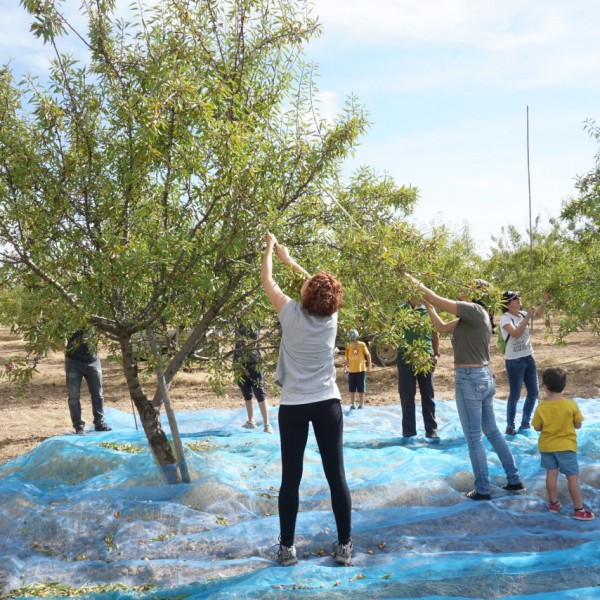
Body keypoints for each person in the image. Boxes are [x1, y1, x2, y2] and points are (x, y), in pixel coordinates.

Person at [261, 232, 352, 567]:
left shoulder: (289, 313)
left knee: (291, 479)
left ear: (306, 293)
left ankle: (287, 549)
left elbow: (266, 279)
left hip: (294, 407)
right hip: (327, 404)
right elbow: (319, 288)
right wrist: (292, 261)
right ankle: (344, 547)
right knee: (336, 475)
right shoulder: (331, 319)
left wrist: (272, 249)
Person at [406, 275, 525, 500]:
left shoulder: (472, 309)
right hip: (482, 377)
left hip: (469, 379)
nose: (463, 286)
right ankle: (514, 480)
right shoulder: (473, 316)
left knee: (474, 437)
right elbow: (440, 327)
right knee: (491, 431)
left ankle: (482, 489)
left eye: (468, 285)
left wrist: (408, 277)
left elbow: (434, 296)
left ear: (475, 294)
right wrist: (428, 306)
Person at [532, 367, 594, 520]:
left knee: (551, 474)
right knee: (572, 477)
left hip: (547, 447)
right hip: (566, 446)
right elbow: (578, 425)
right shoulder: (571, 405)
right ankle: (579, 509)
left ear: (545, 387)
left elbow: (537, 427)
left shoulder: (541, 406)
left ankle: (553, 503)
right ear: (564, 385)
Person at [499, 289, 550, 435]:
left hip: (528, 358)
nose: (519, 299)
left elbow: (538, 315)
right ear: (508, 304)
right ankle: (510, 425)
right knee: (515, 394)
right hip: (514, 361)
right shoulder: (505, 319)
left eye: (519, 296)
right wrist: (527, 317)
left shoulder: (521, 314)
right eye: (515, 298)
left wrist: (544, 301)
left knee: (534, 392)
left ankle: (525, 423)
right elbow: (516, 333)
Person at [396, 299, 441, 439]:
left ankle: (431, 431)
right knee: (407, 395)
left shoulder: (428, 309)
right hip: (406, 357)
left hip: (425, 357)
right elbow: (394, 334)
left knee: (428, 394)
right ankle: (409, 432)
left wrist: (436, 354)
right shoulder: (400, 310)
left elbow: (435, 334)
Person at [65, 330, 112, 434]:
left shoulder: (94, 317)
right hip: (73, 361)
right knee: (74, 396)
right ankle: (78, 426)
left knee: (98, 394)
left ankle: (99, 424)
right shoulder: (68, 317)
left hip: (93, 360)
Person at [233, 323, 273, 433]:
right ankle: (251, 421)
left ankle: (267, 424)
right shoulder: (236, 317)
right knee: (245, 391)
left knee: (259, 391)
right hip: (239, 360)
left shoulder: (255, 319)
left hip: (255, 360)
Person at [344, 329, 372, 409]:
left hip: (361, 371)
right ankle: (353, 404)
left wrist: (369, 366)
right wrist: (345, 367)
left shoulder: (362, 345)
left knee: (361, 388)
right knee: (351, 388)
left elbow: (368, 355)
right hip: (351, 371)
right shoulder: (348, 345)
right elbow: (346, 358)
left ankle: (361, 404)